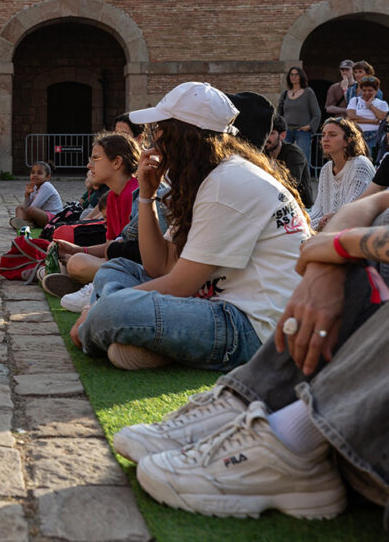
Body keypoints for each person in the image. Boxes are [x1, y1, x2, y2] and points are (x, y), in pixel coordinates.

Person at [116, 190, 389, 522]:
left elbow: (174, 279)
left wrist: (334, 246)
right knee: (373, 228)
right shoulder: (208, 184)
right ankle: (257, 405)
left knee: (112, 306)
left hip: (245, 323)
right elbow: (367, 205)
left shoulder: (229, 184)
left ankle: (295, 439)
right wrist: (324, 267)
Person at [70, 82, 309, 371]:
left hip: (252, 325)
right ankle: (145, 339)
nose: (151, 141)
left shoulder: (226, 183)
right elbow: (159, 266)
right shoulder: (206, 177)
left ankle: (122, 329)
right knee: (116, 268)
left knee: (110, 310)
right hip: (214, 302)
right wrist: (147, 196)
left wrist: (97, 311)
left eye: (158, 130)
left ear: (181, 136)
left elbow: (179, 285)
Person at [42, 133, 140, 298]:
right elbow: (111, 245)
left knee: (77, 263)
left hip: (135, 268)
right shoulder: (112, 196)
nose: (89, 165)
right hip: (119, 262)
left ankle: (92, 286)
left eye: (96, 159)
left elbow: (128, 254)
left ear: (116, 162)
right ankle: (79, 279)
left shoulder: (132, 194)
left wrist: (79, 255)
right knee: (67, 255)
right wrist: (78, 249)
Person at [307, 118, 373, 231]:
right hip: (330, 230)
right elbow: (318, 209)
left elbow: (352, 209)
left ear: (348, 141)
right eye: (323, 135)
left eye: (332, 135)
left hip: (358, 232)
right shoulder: (325, 169)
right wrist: (303, 225)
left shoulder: (360, 165)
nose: (325, 139)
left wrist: (328, 221)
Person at [265, 114, 314, 207]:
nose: (266, 137)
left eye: (271, 133)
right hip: (277, 204)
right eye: (265, 132)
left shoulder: (294, 154)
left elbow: (291, 184)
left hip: (301, 207)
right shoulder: (264, 152)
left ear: (282, 135)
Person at [277, 66, 320, 162]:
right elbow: (279, 114)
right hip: (286, 131)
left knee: (304, 160)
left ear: (301, 76)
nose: (294, 77)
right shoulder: (285, 94)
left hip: (302, 132)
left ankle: (305, 177)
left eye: (296, 74)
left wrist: (309, 126)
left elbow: (317, 114)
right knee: (283, 159)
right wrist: (279, 129)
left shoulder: (308, 92)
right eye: (291, 74)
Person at [11, 161, 62, 229]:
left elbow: (34, 206)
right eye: (33, 172)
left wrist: (23, 216)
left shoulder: (46, 186)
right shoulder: (34, 186)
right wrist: (27, 195)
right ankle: (23, 223)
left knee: (31, 210)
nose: (35, 175)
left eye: (39, 173)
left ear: (47, 177)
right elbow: (26, 205)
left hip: (53, 218)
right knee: (20, 207)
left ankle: (25, 223)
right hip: (38, 214)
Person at [347, 75, 388, 156]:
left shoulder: (382, 104)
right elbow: (351, 116)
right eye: (364, 90)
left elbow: (384, 118)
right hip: (358, 134)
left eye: (370, 90)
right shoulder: (355, 100)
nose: (366, 93)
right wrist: (373, 121)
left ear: (376, 91)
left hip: (375, 136)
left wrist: (371, 106)